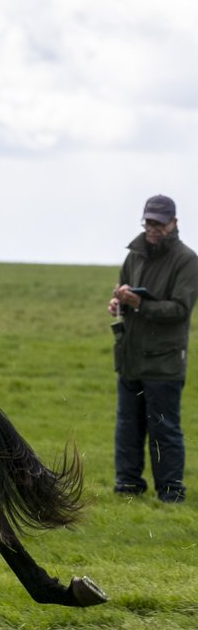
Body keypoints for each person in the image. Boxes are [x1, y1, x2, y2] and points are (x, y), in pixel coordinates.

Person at [107, 194, 197, 503]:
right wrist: (118, 301)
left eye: (159, 222)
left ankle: (171, 493)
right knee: (127, 429)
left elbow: (180, 310)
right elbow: (122, 290)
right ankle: (127, 488)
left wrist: (140, 304)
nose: (153, 227)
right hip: (131, 358)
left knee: (164, 431)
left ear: (174, 223)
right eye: (149, 221)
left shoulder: (187, 260)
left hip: (164, 362)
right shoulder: (134, 255)